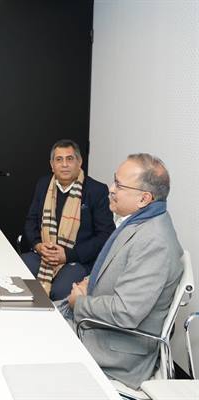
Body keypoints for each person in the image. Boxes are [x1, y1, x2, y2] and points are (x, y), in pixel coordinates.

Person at [60, 153, 183, 389]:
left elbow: (126, 312)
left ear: (144, 198)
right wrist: (89, 281)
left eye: (119, 184)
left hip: (115, 349)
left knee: (35, 342)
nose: (111, 189)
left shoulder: (154, 242)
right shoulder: (140, 221)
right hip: (99, 327)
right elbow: (117, 267)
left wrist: (80, 302)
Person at [21, 139, 115, 300]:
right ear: (52, 165)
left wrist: (68, 255)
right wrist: (38, 245)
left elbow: (105, 235)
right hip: (43, 255)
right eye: (59, 159)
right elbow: (31, 221)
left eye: (70, 159)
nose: (64, 164)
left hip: (78, 259)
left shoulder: (96, 190)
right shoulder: (43, 184)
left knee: (60, 292)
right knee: (17, 274)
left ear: (79, 162)